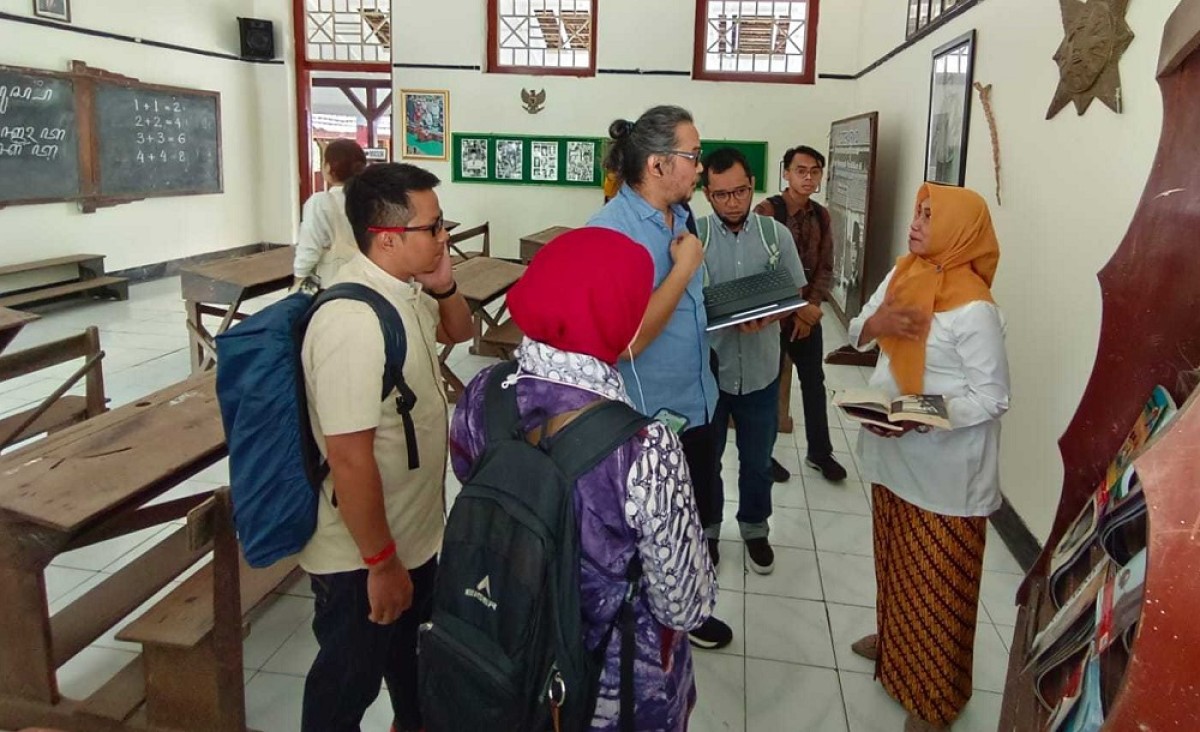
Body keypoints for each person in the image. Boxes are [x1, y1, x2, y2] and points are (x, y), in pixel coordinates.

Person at [449, 227, 718, 732]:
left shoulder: (483, 392)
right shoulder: (646, 447)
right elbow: (684, 604)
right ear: (620, 313)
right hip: (605, 688)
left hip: (500, 645)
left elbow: (472, 477)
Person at [298, 163, 473, 732]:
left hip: (412, 537)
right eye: (434, 227)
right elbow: (349, 458)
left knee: (413, 670)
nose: (445, 235)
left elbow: (459, 332)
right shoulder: (352, 320)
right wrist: (381, 564)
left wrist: (445, 282)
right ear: (388, 236)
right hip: (364, 557)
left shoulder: (403, 290)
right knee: (347, 686)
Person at [846, 183, 1010, 732]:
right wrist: (877, 325)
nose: (916, 224)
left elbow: (992, 397)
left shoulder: (975, 309)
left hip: (947, 473)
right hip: (893, 458)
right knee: (895, 565)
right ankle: (895, 649)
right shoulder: (904, 272)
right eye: (916, 212)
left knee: (940, 586)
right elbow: (858, 330)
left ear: (958, 231)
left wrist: (918, 412)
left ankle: (935, 700)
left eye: (929, 216)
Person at [588, 104, 733, 651]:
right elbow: (623, 343)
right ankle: (646, 633)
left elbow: (684, 305)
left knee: (690, 520)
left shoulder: (681, 215)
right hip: (647, 424)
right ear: (656, 164)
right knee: (651, 535)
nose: (700, 168)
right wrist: (684, 268)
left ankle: (685, 614)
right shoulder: (610, 233)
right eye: (692, 157)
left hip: (696, 401)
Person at [698, 147, 807, 576]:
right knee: (707, 460)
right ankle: (707, 529)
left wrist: (768, 315)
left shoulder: (774, 235)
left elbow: (794, 293)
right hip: (711, 373)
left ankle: (754, 526)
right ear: (707, 194)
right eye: (721, 194)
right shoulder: (696, 239)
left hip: (762, 370)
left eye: (740, 191)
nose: (732, 202)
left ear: (752, 187)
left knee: (758, 459)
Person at [755, 146, 848, 483]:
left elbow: (825, 266)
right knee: (767, 386)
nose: (808, 177)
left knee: (814, 382)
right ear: (786, 173)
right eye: (801, 170)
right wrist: (795, 310)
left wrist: (812, 310)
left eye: (815, 171)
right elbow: (762, 270)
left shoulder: (821, 216)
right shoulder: (766, 213)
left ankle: (820, 453)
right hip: (774, 317)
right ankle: (763, 456)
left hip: (808, 315)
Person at [294, 139, 368, 288]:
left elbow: (309, 249)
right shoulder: (373, 200)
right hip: (368, 281)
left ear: (328, 167)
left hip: (334, 285)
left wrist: (298, 281)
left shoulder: (320, 202)